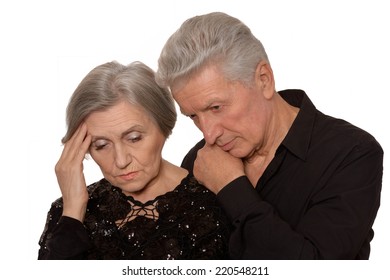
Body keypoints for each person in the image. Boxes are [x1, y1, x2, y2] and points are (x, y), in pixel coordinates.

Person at [155, 12, 383, 259]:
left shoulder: (352, 153)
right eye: (193, 116)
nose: (209, 134)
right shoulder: (199, 161)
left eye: (216, 107)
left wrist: (232, 189)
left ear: (264, 80)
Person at [38, 61, 230, 260]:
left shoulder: (213, 206)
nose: (121, 161)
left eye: (134, 138)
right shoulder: (66, 211)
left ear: (163, 127)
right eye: (102, 145)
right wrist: (73, 211)